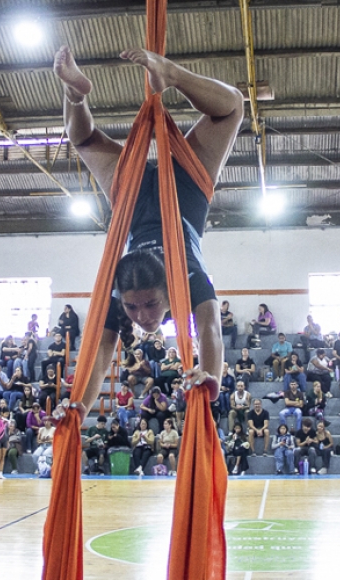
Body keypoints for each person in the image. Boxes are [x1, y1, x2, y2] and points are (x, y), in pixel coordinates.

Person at [54, 45, 243, 421]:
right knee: (85, 142)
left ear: (169, 292)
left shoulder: (183, 278)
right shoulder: (127, 287)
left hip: (161, 195)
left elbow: (210, 331)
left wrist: (211, 379)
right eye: (134, 306)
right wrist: (77, 409)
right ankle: (77, 95)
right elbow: (102, 350)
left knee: (235, 106)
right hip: (162, 193)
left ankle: (81, 93)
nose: (141, 316)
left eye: (149, 305)